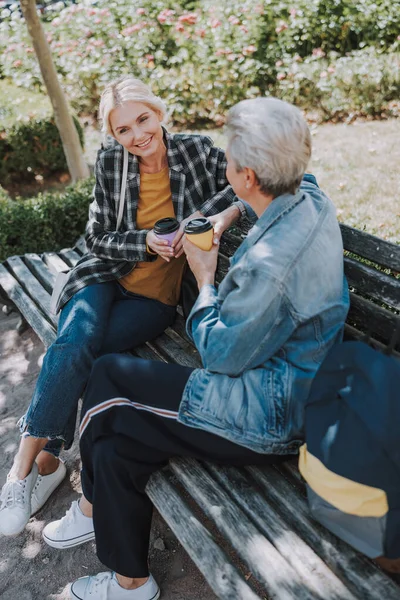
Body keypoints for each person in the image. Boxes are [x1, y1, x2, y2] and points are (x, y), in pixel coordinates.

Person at [46, 96, 350, 600]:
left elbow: (218, 355)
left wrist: (205, 279)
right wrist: (232, 212)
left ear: (248, 175)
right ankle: (130, 580)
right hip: (292, 385)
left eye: (230, 159)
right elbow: (307, 180)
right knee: (117, 439)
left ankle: (91, 509)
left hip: (267, 414)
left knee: (106, 378)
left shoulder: (268, 269)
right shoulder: (307, 197)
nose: (223, 163)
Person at [0, 77, 245, 537]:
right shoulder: (112, 161)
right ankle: (20, 472)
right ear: (113, 137)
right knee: (74, 345)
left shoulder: (196, 151)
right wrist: (146, 241)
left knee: (83, 358)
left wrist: (211, 217)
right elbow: (96, 237)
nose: (137, 135)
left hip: (155, 301)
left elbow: (245, 184)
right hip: (102, 277)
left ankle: (51, 463)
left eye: (142, 120)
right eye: (123, 130)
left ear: (159, 112)